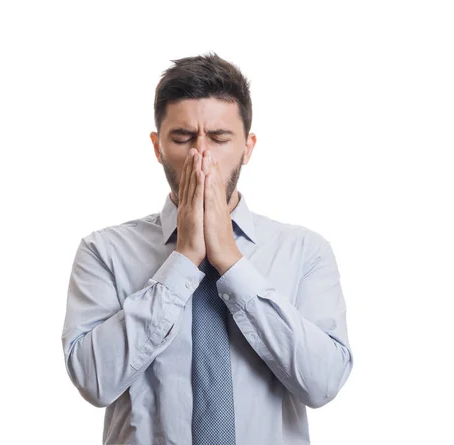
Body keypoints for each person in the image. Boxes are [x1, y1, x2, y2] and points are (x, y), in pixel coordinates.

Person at [61, 51, 354, 445]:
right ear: (158, 146)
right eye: (182, 138)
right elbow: (94, 381)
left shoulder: (305, 251)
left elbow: (323, 383)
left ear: (248, 147)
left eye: (219, 138)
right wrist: (182, 261)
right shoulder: (104, 252)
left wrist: (231, 263)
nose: (202, 155)